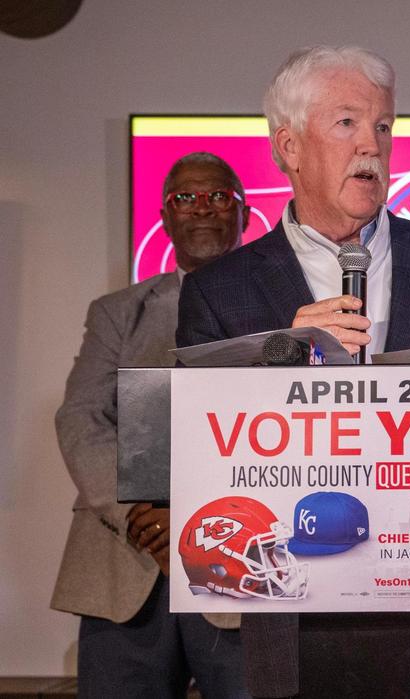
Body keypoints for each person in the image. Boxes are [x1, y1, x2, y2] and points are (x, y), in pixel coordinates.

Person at [176, 45, 410, 698]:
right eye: (347, 123)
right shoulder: (221, 291)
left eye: (383, 126)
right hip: (287, 637)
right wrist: (283, 355)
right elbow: (189, 450)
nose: (372, 146)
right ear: (289, 146)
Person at [52, 152, 251, 697]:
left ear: (245, 214)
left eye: (218, 195)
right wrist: (138, 512)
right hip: (130, 559)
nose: (202, 208)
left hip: (247, 565)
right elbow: (81, 417)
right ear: (165, 218)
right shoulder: (119, 311)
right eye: (184, 197)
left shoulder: (287, 315)